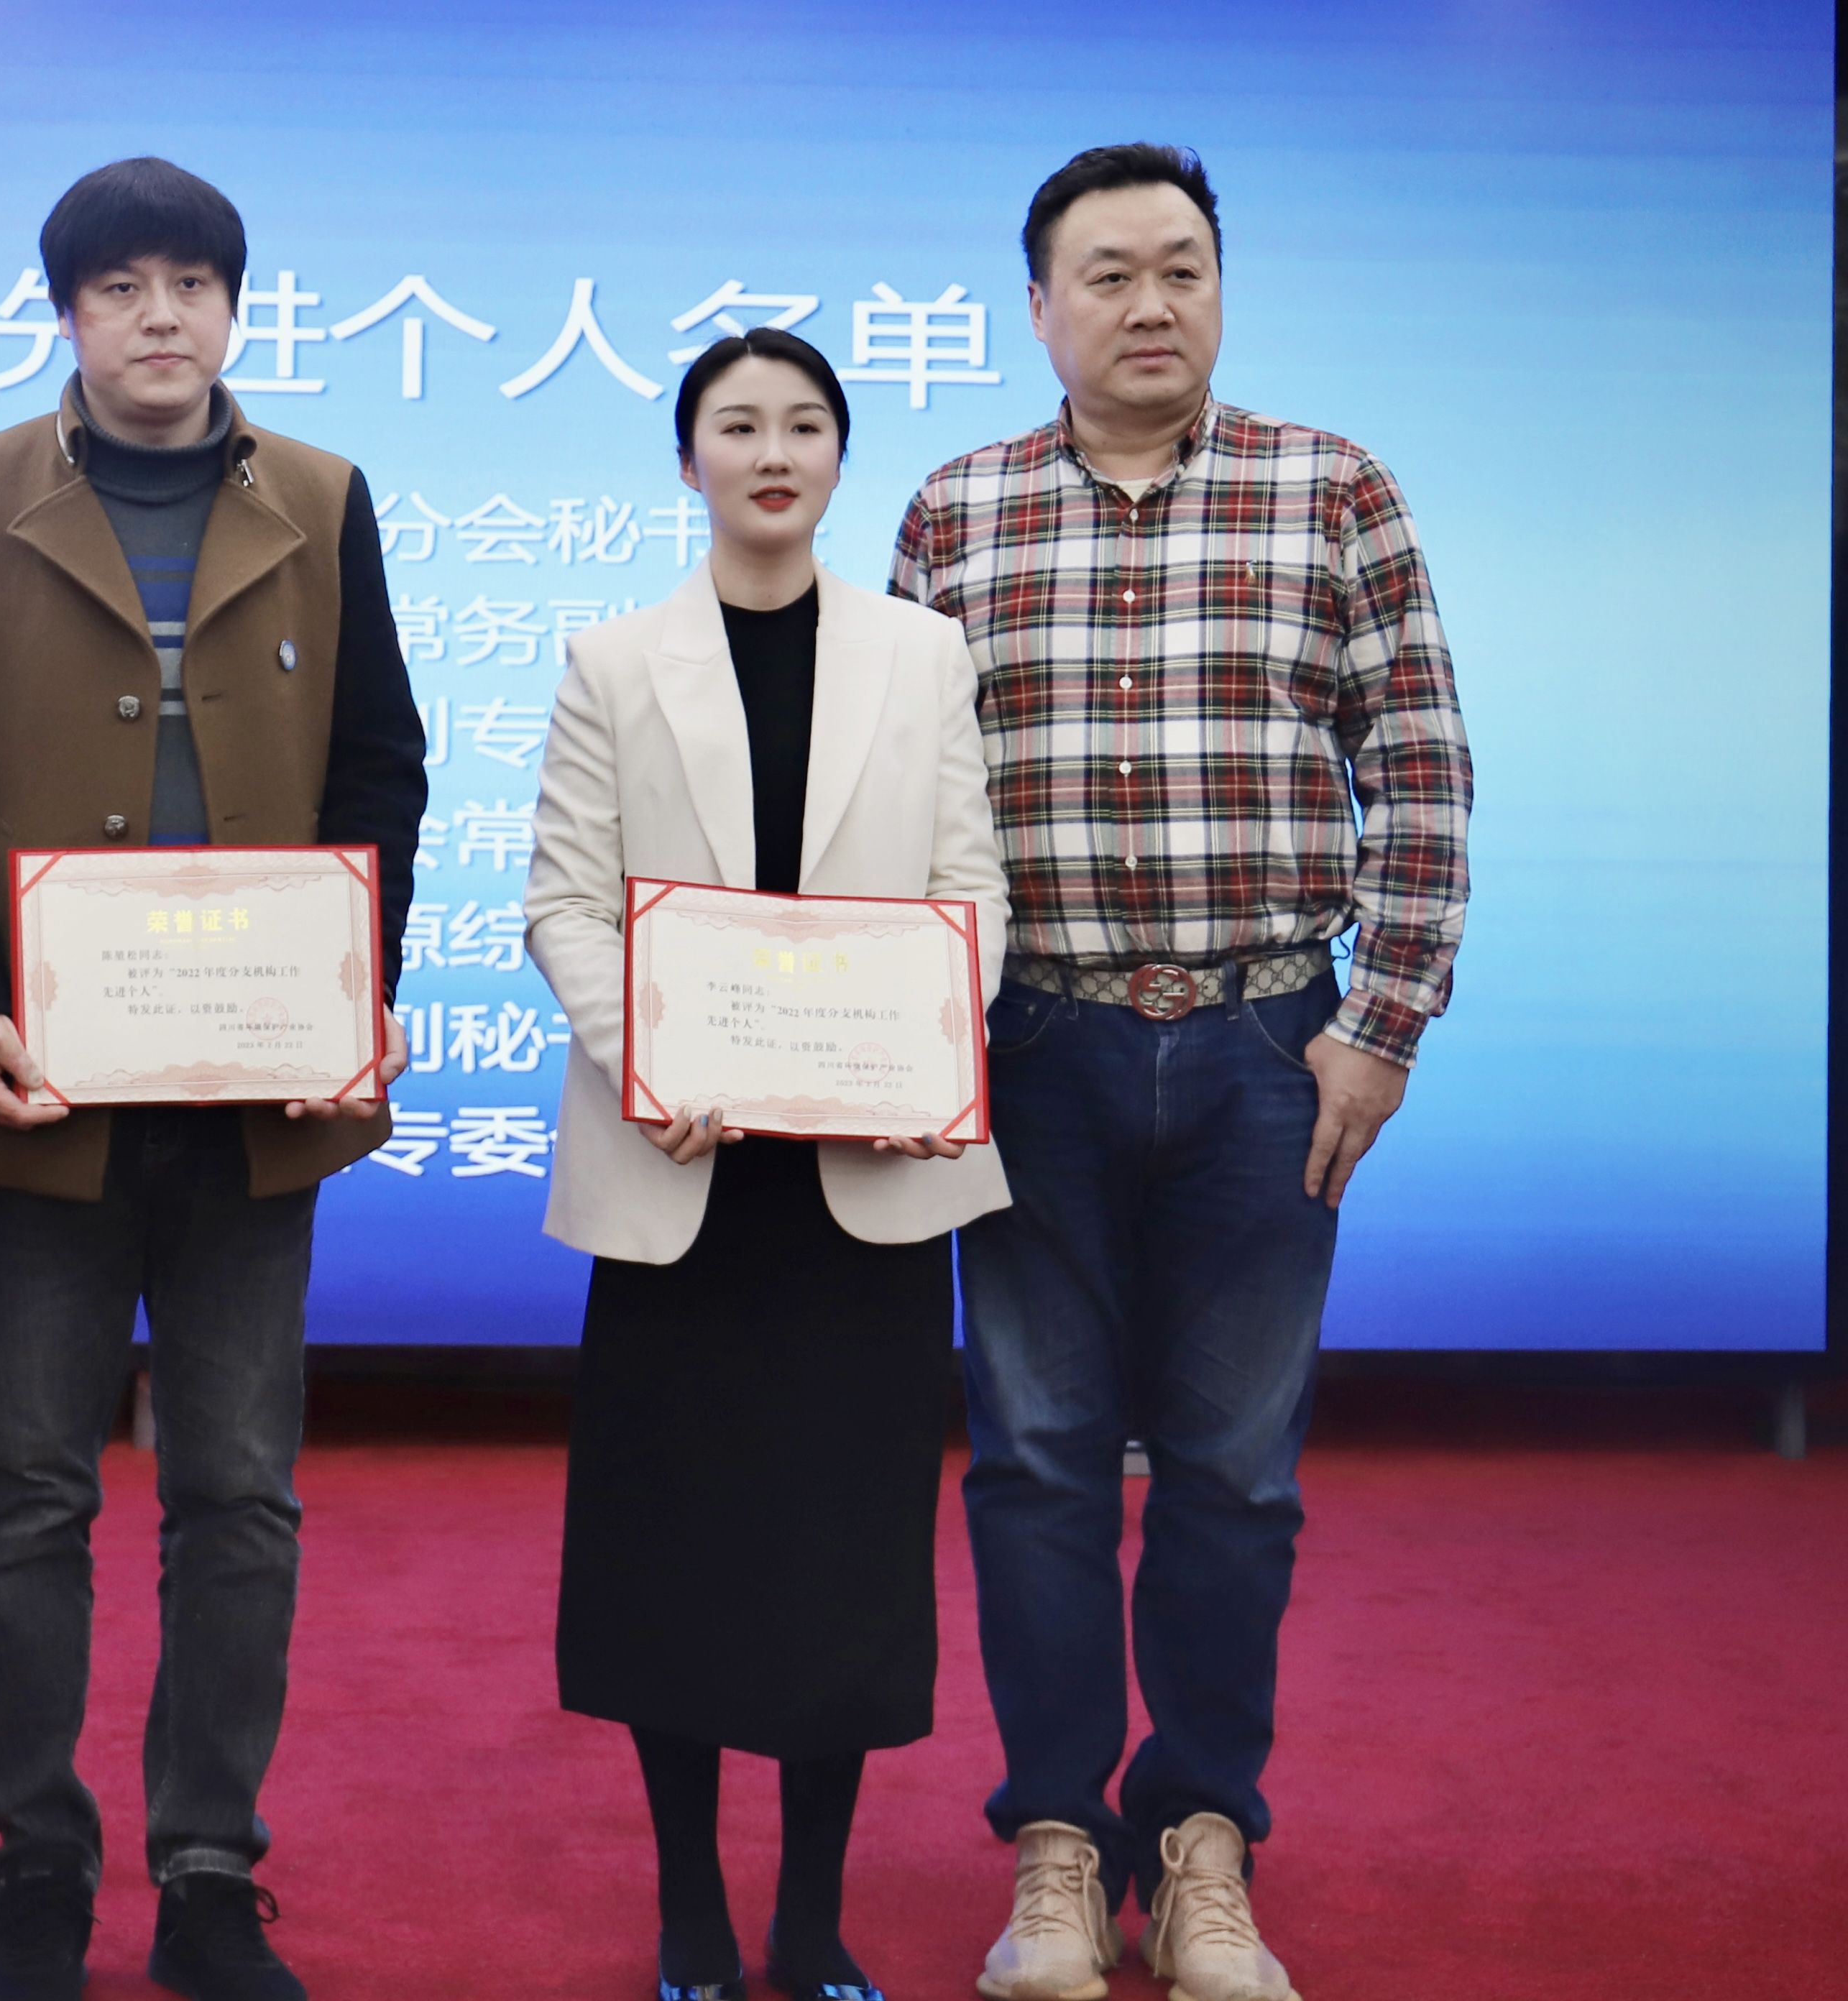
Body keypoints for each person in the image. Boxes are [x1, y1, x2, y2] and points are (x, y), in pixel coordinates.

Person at [888, 145, 1473, 2001]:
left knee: (1233, 1475)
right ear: (1037, 307)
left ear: (1220, 288)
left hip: (1263, 1047)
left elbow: (1422, 769)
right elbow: (892, 802)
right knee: (1035, 1464)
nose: (1151, 304)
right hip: (1031, 1049)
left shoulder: (1332, 488)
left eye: (1183, 268)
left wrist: (1379, 1026)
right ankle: (1059, 1847)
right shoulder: (956, 512)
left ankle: (1204, 1839)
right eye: (1110, 274)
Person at [0, 157, 426, 2001]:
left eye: (191, 282)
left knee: (237, 1491)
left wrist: (355, 986)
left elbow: (382, 769)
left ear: (236, 307)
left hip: (259, 1090)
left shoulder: (324, 498)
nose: (160, 316)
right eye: (121, 288)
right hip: (40, 1084)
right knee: (28, 1485)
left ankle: (205, 1874)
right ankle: (38, 1873)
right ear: (69, 314)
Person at [523, 327, 1012, 2001]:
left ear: (837, 457)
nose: (772, 452)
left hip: (861, 1187)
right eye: (737, 426)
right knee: (674, 1554)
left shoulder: (922, 656)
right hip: (683, 1180)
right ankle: (688, 1907)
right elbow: (563, 905)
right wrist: (644, 1061)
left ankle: (810, 1917)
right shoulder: (613, 661)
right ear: (689, 461)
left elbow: (969, 893)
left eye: (804, 424)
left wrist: (925, 1054)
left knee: (840, 1562)